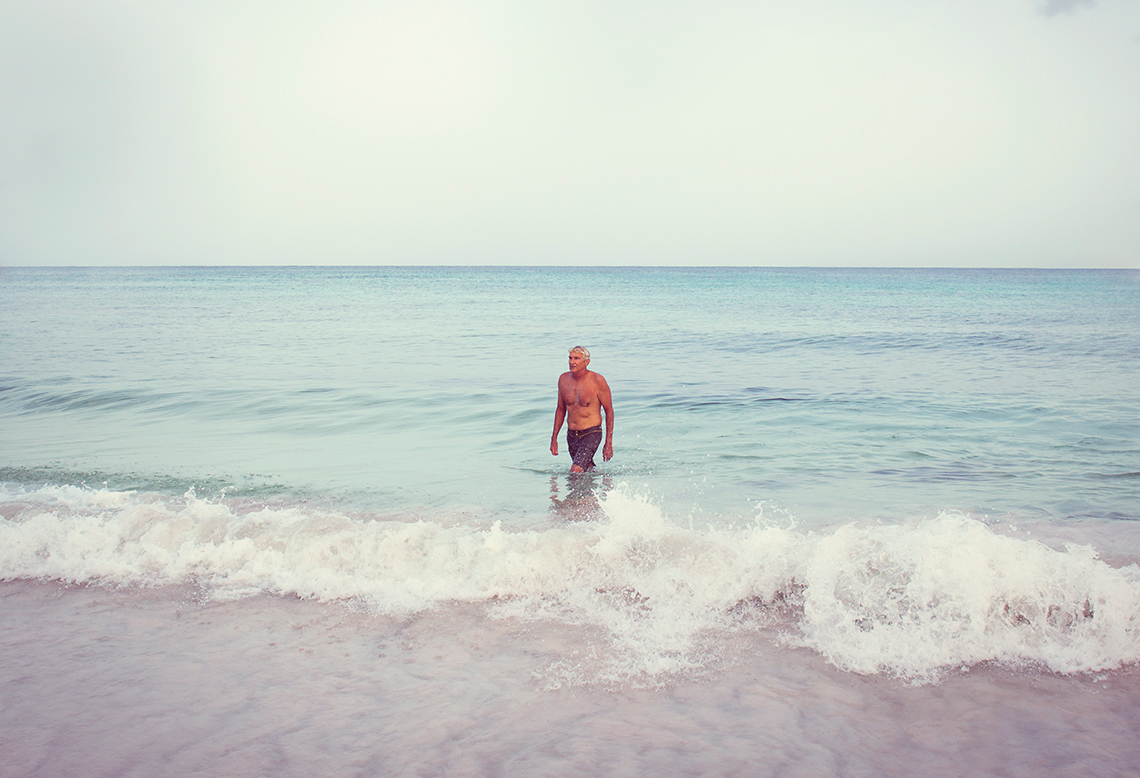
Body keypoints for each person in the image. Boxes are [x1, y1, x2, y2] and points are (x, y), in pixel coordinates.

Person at [550, 346, 614, 472]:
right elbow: (560, 410)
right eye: (570, 358)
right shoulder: (563, 379)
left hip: (591, 433)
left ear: (586, 362)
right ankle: (599, 490)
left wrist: (608, 442)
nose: (571, 362)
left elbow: (609, 411)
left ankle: (572, 492)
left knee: (575, 471)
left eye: (576, 359)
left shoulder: (597, 381)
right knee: (586, 471)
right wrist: (554, 438)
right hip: (572, 435)